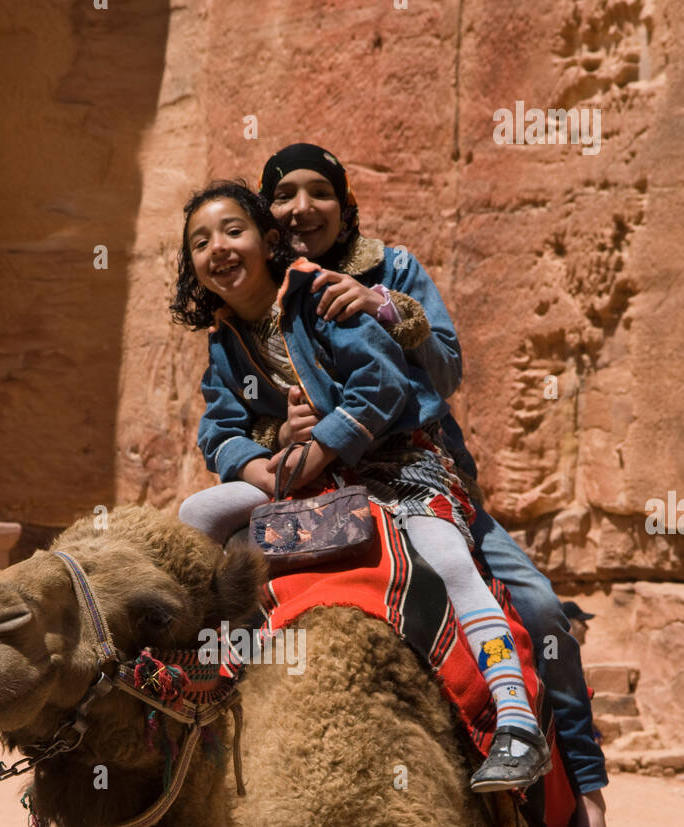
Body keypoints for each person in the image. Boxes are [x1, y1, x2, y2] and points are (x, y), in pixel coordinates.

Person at [249, 143, 613, 827]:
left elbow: (445, 368)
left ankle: (587, 808)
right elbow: (242, 422)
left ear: (343, 205)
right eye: (283, 194)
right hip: (323, 495)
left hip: (421, 478)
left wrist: (387, 307)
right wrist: (278, 437)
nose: (300, 208)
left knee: (540, 611)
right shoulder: (259, 300)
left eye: (317, 192)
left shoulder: (394, 268)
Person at [172, 180, 551, 794]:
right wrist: (259, 468)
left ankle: (515, 719)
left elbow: (383, 386)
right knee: (199, 511)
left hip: (395, 467)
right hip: (305, 476)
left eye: (232, 230)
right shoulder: (225, 339)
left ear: (269, 241)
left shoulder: (317, 296)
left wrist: (320, 448)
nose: (218, 247)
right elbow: (218, 428)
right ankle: (196, 668)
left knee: (450, 559)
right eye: (200, 241)